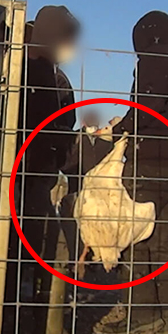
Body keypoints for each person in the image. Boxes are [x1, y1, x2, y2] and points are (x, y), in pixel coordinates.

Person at [98, 10, 168, 334]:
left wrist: (119, 129)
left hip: (149, 163)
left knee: (137, 237)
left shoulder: (153, 59)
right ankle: (166, 317)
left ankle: (141, 314)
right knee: (166, 240)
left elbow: (148, 106)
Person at [6, 7, 79, 334]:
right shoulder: (26, 66)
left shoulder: (50, 71)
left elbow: (64, 120)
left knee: (37, 250)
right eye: (67, 38)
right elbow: (39, 122)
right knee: (23, 250)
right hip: (24, 174)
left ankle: (36, 325)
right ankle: (17, 324)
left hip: (38, 173)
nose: (71, 47)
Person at [59, 110, 114, 267]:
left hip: (101, 195)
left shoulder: (106, 141)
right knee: (75, 228)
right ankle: (77, 259)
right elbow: (65, 165)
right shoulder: (74, 138)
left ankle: (95, 258)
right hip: (78, 190)